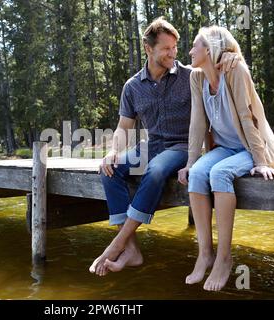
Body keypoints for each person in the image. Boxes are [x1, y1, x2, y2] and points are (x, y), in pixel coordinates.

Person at [90, 17, 239, 277]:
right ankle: (132, 249)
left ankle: (117, 243)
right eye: (166, 48)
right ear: (149, 49)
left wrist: (231, 58)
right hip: (152, 145)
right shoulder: (133, 86)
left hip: (181, 147)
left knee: (156, 170)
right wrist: (113, 151)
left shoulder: (192, 76)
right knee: (108, 170)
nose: (173, 53)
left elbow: (222, 67)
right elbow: (124, 127)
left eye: (175, 48)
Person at [178, 26, 274, 291]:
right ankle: (205, 254)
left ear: (210, 49)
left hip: (250, 147)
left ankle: (224, 258)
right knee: (199, 173)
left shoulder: (235, 71)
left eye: (195, 45)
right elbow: (197, 123)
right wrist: (190, 162)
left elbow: (248, 118)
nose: (190, 51)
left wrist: (260, 160)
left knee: (218, 174)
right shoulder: (197, 78)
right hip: (224, 149)